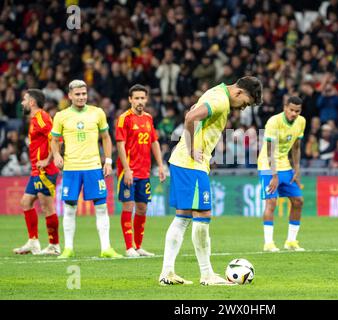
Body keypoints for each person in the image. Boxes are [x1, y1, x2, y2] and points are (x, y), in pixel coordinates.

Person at [159, 76, 262, 286]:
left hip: (183, 162)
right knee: (203, 214)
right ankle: (207, 274)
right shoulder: (221, 100)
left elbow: (194, 111)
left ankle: (167, 273)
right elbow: (190, 116)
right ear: (239, 93)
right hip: (191, 164)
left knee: (182, 217)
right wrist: (192, 146)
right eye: (246, 103)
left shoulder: (217, 91)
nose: (243, 108)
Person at [50, 80, 122, 259]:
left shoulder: (97, 113)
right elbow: (54, 139)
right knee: (69, 208)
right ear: (70, 96)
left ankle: (106, 248)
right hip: (72, 168)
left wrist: (108, 161)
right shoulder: (61, 116)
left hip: (93, 167)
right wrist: (57, 155)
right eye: (78, 94)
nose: (81, 97)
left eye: (84, 94)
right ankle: (68, 248)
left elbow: (106, 138)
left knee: (101, 207)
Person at [116, 84, 166, 257]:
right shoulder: (125, 118)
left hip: (144, 172)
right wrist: (127, 169)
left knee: (142, 208)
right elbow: (120, 145)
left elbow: (154, 142)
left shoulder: (148, 118)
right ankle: (129, 247)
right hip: (128, 172)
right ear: (130, 99)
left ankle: (138, 246)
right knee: (128, 206)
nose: (139, 101)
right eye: (136, 98)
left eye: (142, 98)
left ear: (146, 99)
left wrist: (160, 165)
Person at [13, 89, 60, 255]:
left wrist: (48, 160)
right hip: (36, 170)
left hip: (45, 171)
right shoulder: (35, 119)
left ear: (32, 102)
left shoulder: (42, 118)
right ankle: (33, 242)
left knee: (47, 207)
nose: (22, 103)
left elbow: (56, 139)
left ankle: (54, 245)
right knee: (26, 203)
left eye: (24, 100)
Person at [257, 96, 306, 253]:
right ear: (285, 107)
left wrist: (297, 169)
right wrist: (274, 175)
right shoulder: (273, 122)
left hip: (285, 165)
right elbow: (269, 150)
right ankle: (269, 243)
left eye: (297, 111)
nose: (294, 113)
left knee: (298, 201)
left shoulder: (301, 122)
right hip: (267, 165)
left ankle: (291, 241)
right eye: (291, 110)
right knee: (271, 203)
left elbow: (296, 147)